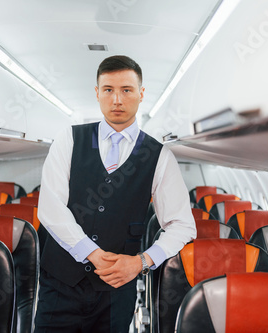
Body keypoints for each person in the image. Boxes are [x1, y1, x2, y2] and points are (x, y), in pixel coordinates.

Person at [35, 55, 196, 333]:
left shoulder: (159, 156)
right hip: (60, 287)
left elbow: (182, 225)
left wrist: (141, 262)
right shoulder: (69, 139)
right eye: (108, 90)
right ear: (97, 94)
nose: (117, 100)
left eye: (126, 90)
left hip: (116, 294)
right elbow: (50, 208)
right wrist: (92, 253)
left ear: (141, 94)